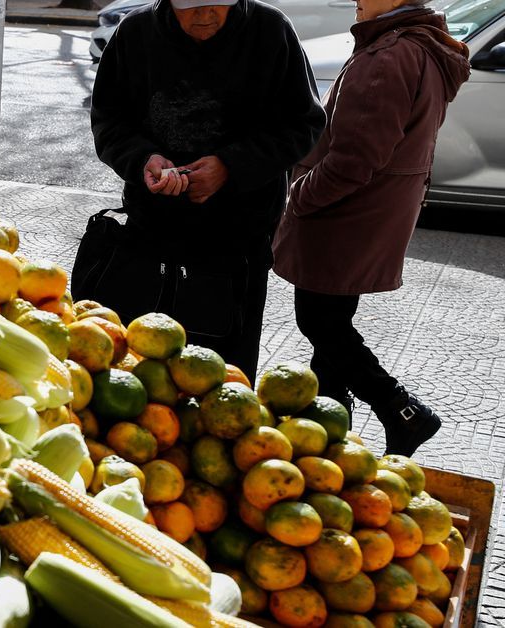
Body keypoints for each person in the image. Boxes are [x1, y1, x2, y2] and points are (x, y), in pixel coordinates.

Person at [84, 0, 326, 379]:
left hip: (237, 239)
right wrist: (143, 159)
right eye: (191, 4)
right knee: (141, 370)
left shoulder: (270, 30)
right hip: (151, 231)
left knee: (222, 375)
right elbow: (108, 121)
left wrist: (230, 166)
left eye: (217, 2)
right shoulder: (136, 32)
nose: (205, 14)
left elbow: (304, 124)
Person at [272, 0, 470, 456]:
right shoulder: (417, 45)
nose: (357, 0)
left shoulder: (389, 55)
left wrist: (297, 198)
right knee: (333, 321)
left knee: (321, 323)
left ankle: (403, 410)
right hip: (371, 215)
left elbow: (352, 161)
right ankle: (328, 423)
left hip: (345, 217)